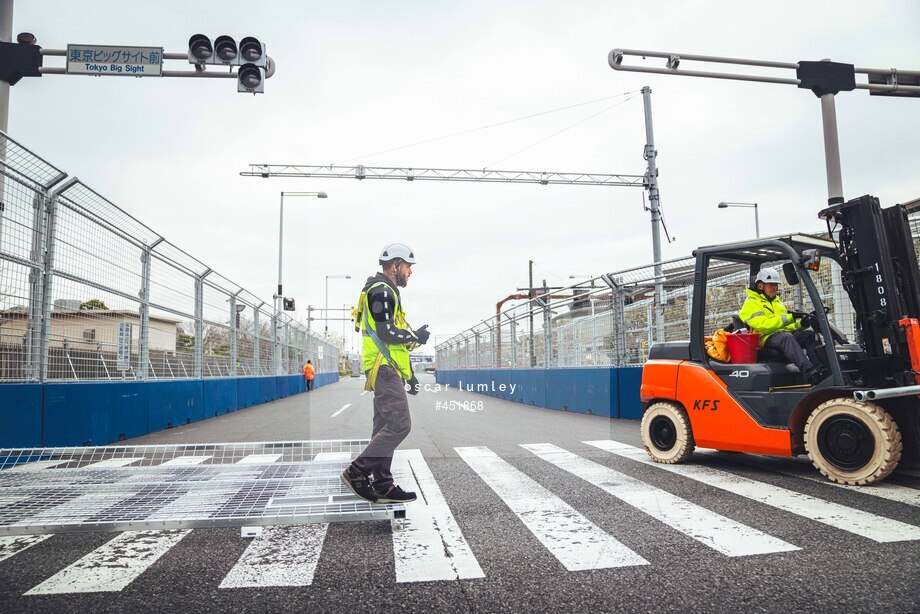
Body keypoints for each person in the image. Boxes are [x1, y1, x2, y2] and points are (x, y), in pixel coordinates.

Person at [341, 242, 431, 504]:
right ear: (395, 266)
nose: (410, 272)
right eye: (407, 267)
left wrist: (410, 373)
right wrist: (415, 335)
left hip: (389, 367)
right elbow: (386, 333)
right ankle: (357, 473)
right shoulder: (381, 291)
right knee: (400, 425)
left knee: (383, 427)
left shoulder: (386, 291)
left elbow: (396, 342)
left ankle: (383, 484)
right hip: (384, 369)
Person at [739, 267, 828, 384]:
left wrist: (802, 324)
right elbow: (763, 326)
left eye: (776, 285)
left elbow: (786, 326)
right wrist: (790, 317)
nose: (774, 288)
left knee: (809, 335)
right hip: (763, 338)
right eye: (771, 284)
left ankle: (822, 370)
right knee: (786, 337)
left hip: (780, 335)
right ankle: (810, 373)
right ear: (760, 286)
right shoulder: (751, 303)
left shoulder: (777, 302)